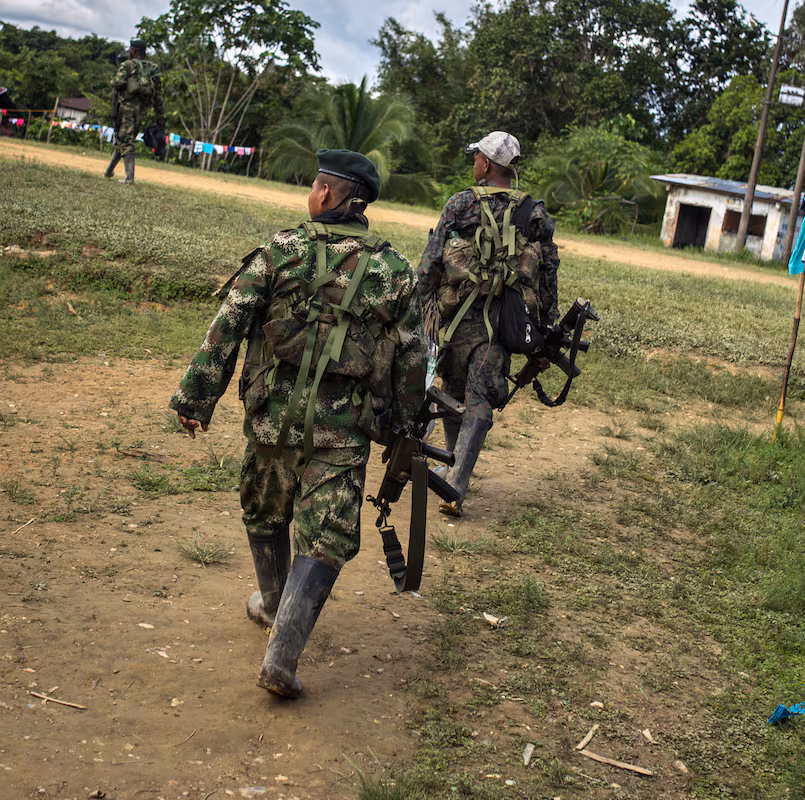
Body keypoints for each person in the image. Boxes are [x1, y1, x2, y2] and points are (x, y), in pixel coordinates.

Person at [169, 149, 428, 698]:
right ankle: (281, 657)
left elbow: (229, 324)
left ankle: (269, 602)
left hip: (271, 415)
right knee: (326, 532)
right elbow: (411, 359)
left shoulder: (279, 251)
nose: (311, 193)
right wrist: (404, 429)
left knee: (264, 506)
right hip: (344, 426)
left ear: (329, 196)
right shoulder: (396, 271)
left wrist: (195, 398)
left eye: (315, 185)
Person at [417, 131, 559, 516]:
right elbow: (548, 272)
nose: (473, 162)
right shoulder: (535, 212)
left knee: (453, 390)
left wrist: (419, 305)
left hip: (455, 317)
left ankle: (452, 478)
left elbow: (432, 261)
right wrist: (547, 325)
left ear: (487, 165)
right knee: (478, 398)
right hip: (503, 321)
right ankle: (454, 476)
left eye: (476, 156)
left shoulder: (461, 202)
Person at [105, 37, 163, 185]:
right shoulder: (153, 68)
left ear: (134, 50)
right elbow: (158, 94)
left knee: (126, 141)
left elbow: (117, 83)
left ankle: (129, 178)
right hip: (141, 111)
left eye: (131, 49)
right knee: (124, 140)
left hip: (126, 110)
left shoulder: (127, 65)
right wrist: (159, 116)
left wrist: (116, 82)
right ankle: (109, 171)